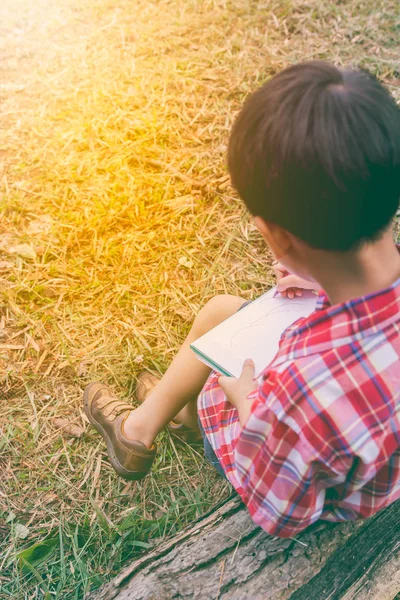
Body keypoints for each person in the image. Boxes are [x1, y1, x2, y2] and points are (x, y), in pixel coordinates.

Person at [84, 61, 400, 538]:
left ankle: (151, 426)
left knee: (218, 332)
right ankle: (174, 415)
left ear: (275, 236)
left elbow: (279, 510)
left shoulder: (300, 394)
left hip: (294, 473)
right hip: (369, 465)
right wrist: (319, 284)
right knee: (225, 312)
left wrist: (248, 402)